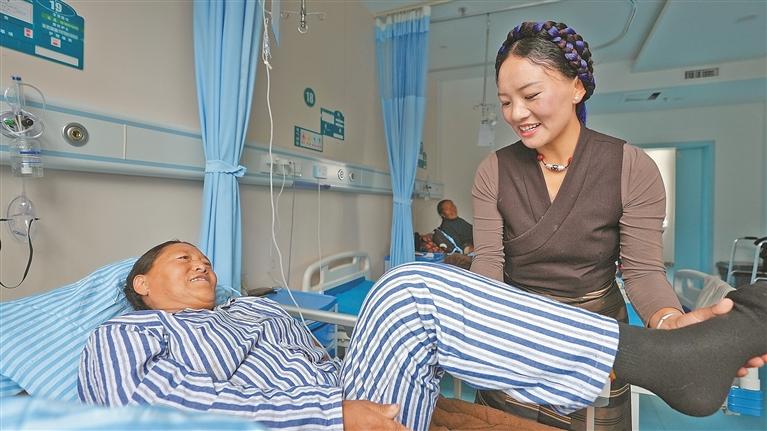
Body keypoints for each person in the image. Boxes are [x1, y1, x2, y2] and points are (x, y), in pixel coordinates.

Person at [78, 240, 767, 431]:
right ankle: (670, 360)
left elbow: (325, 361)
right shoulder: (124, 333)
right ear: (141, 284)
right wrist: (330, 411)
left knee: (416, 291)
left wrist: (348, 387)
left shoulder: (254, 311)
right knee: (409, 289)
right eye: (181, 259)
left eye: (204, 256)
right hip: (317, 420)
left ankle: (668, 356)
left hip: (352, 397)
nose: (201, 263)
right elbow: (153, 410)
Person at [469, 21, 766, 429]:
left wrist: (668, 322)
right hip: (520, 330)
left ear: (577, 87)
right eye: (506, 101)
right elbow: (488, 261)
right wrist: (482, 323)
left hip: (599, 338)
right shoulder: (494, 170)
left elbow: (642, 271)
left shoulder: (631, 167)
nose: (516, 113)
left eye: (531, 95)